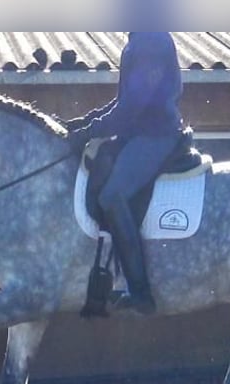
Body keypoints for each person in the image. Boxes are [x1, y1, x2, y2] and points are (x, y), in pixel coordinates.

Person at [65, 32, 184, 315]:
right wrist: (84, 123)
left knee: (112, 195)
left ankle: (140, 291)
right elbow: (123, 103)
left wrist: (88, 133)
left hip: (155, 134)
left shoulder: (150, 41)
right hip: (137, 133)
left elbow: (133, 106)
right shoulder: (137, 39)